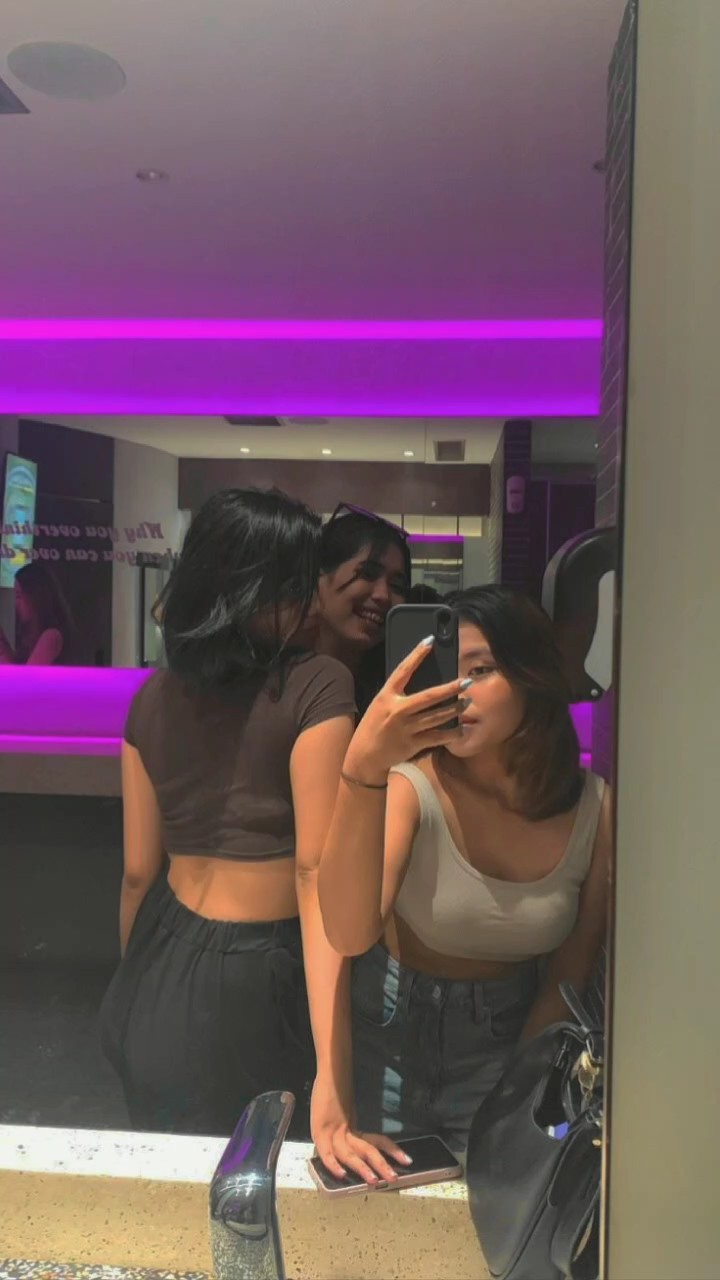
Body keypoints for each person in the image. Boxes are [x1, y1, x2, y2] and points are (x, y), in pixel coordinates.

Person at [98, 487, 403, 1182]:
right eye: (296, 580)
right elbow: (316, 878)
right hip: (258, 976)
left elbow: (138, 874)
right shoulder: (316, 685)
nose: (308, 596)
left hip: (154, 961)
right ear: (253, 586)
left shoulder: (150, 696)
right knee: (261, 1190)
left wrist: (140, 991)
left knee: (173, 1186)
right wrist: (336, 1084)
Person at [318, 585, 611, 1155]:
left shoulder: (596, 812)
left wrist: (519, 1099)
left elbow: (569, 972)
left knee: (492, 1200)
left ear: (532, 676)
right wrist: (363, 768)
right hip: (387, 1036)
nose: (457, 691)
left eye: (480, 670)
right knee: (380, 1201)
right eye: (446, 673)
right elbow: (348, 936)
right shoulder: (411, 786)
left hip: (511, 1043)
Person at [314, 504, 412, 714]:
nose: (383, 595)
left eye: (397, 586)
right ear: (318, 577)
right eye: (367, 574)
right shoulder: (278, 685)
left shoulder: (402, 687)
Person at [0, 562, 74, 664]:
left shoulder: (51, 636)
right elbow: (15, 668)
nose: (15, 604)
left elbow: (27, 674)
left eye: (18, 596)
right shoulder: (31, 637)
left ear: (34, 596)